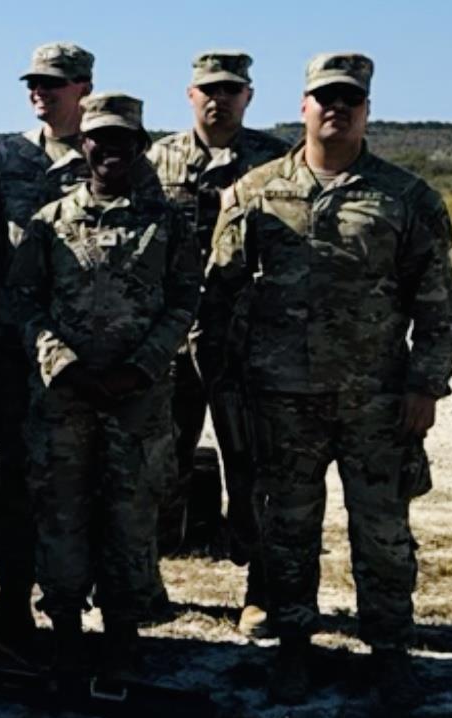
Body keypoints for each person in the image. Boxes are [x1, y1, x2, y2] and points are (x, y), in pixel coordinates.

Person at [201, 53, 452, 708]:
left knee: (381, 532)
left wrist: (425, 386)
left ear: (365, 110)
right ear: (302, 107)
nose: (335, 109)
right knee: (286, 529)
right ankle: (293, 646)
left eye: (348, 99)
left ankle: (388, 649)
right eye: (323, 98)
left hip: (376, 401)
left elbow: (436, 306)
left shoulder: (405, 199)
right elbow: (220, 299)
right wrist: (230, 387)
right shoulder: (254, 192)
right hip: (280, 400)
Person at [0, 92, 199, 678]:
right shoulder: (49, 224)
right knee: (61, 515)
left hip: (138, 399)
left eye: (123, 141)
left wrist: (142, 365)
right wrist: (64, 364)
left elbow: (186, 299)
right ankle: (64, 628)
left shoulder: (167, 224)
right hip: (64, 400)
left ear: (139, 147)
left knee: (130, 517)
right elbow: (24, 303)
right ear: (83, 145)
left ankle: (123, 631)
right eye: (100, 139)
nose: (111, 151)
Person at [146, 51, 288, 636]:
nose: (219, 99)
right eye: (209, 89)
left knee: (254, 469)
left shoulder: (274, 160)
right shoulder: (157, 159)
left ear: (248, 96)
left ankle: (261, 590)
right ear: (189, 94)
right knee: (158, 464)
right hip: (172, 343)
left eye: (231, 89)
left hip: (244, 345)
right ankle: (144, 583)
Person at [0, 41, 95, 648]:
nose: (40, 91)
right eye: (34, 82)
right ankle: (11, 601)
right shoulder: (9, 159)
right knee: (15, 484)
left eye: (54, 82)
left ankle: (80, 612)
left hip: (90, 354)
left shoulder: (111, 152)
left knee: (86, 486)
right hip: (20, 354)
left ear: (83, 88)